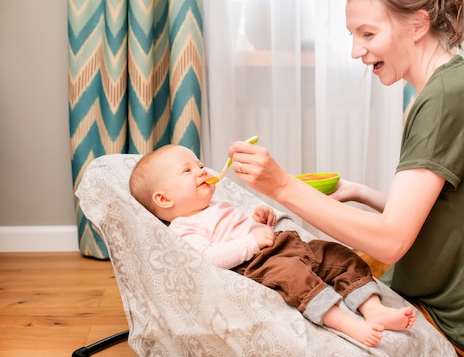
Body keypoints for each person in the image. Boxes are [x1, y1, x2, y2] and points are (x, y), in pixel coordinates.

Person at [226, 0, 464, 357]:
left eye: (368, 35)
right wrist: (359, 191)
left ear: (418, 25)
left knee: (303, 281)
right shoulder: (453, 85)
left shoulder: (446, 100)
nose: (356, 51)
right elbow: (450, 211)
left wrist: (280, 186)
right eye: (353, 35)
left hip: (454, 322)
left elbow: (390, 243)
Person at [129, 144, 416, 347]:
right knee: (296, 277)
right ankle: (341, 320)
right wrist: (251, 242)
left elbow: (244, 227)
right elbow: (208, 258)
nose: (202, 171)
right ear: (164, 199)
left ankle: (371, 305)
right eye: (188, 170)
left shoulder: (217, 205)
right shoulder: (185, 227)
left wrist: (262, 221)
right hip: (258, 263)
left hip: (284, 244)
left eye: (200, 165)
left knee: (338, 254)